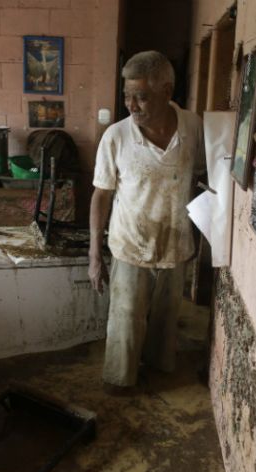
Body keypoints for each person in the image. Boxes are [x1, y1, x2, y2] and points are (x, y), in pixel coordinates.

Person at [89, 51, 206, 391]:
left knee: (166, 324)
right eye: (127, 96)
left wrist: (205, 235)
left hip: (176, 244)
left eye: (141, 96)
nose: (131, 105)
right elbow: (101, 195)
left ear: (167, 90)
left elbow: (204, 177)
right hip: (130, 244)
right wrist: (95, 255)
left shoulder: (193, 128)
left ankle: (155, 374)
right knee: (125, 322)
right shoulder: (117, 136)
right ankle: (119, 383)